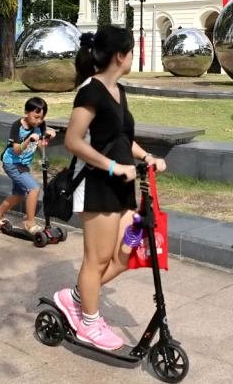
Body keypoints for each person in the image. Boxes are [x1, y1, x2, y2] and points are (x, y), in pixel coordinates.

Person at [53, 26, 166, 351]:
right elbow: (73, 141)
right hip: (96, 187)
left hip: (122, 189)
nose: (133, 56)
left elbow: (122, 138)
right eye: (131, 51)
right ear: (120, 55)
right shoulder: (91, 91)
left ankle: (76, 296)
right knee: (98, 259)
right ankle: (89, 322)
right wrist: (114, 166)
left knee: (125, 253)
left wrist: (146, 157)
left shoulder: (118, 90)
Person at [0, 97, 56, 232]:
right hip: (12, 163)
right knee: (34, 189)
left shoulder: (40, 126)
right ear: (26, 112)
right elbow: (16, 150)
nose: (39, 121)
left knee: (19, 195)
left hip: (24, 166)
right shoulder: (17, 126)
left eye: (42, 118)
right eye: (36, 117)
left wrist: (47, 138)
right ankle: (30, 223)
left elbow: (41, 146)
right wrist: (29, 140)